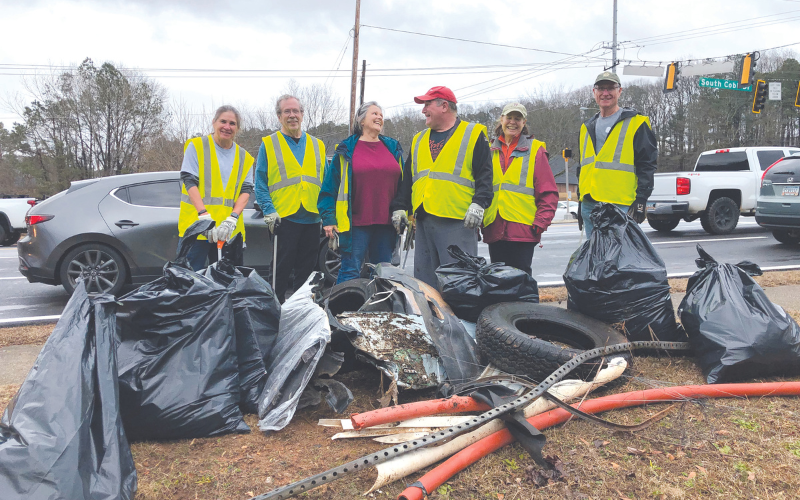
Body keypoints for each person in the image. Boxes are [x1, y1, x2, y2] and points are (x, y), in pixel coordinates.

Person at [392, 86, 493, 290]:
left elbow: (485, 175)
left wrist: (479, 204)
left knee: (459, 284)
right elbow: (408, 178)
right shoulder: (419, 139)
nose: (423, 110)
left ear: (444, 106)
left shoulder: (472, 134)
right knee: (426, 284)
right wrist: (400, 207)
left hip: (458, 221)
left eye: (427, 104)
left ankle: (460, 322)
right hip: (424, 220)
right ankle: (432, 321)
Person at [318, 101, 404, 284]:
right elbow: (328, 189)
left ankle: (376, 311)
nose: (379, 117)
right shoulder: (346, 150)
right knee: (350, 271)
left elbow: (404, 185)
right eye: (374, 113)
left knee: (382, 275)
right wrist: (329, 219)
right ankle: (341, 311)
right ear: (361, 120)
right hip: (355, 224)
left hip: (386, 224)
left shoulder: (392, 147)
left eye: (381, 114)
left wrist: (405, 211)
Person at [255, 95, 326, 302]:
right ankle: (275, 314)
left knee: (306, 277)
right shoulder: (268, 144)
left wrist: (329, 217)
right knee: (279, 274)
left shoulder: (317, 145)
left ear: (302, 115)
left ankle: (301, 313)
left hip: (312, 219)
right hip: (283, 219)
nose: (292, 115)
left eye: (296, 111)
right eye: (287, 111)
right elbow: (260, 182)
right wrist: (269, 210)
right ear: (279, 116)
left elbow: (326, 184)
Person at [577, 71, 658, 238]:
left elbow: (647, 164)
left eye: (610, 88)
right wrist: (581, 200)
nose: (605, 93)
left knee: (619, 259)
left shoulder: (636, 123)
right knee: (594, 258)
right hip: (590, 204)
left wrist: (641, 200)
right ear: (594, 92)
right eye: (601, 88)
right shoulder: (587, 127)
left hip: (620, 205)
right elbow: (584, 167)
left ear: (619, 91)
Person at [482, 103, 558, 276]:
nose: (512, 122)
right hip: (494, 227)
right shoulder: (488, 150)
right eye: (509, 117)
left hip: (523, 229)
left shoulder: (536, 150)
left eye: (518, 118)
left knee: (521, 282)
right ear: (501, 120)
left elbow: (548, 192)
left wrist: (540, 223)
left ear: (524, 123)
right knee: (498, 282)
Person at [178, 105, 254, 271]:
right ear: (214, 122)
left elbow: (246, 190)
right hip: (197, 228)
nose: (227, 127)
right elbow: (189, 181)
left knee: (226, 282)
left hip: (229, 230)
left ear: (238, 128)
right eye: (223, 121)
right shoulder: (196, 146)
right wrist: (203, 216)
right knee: (189, 280)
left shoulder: (245, 157)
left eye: (232, 123)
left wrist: (233, 218)